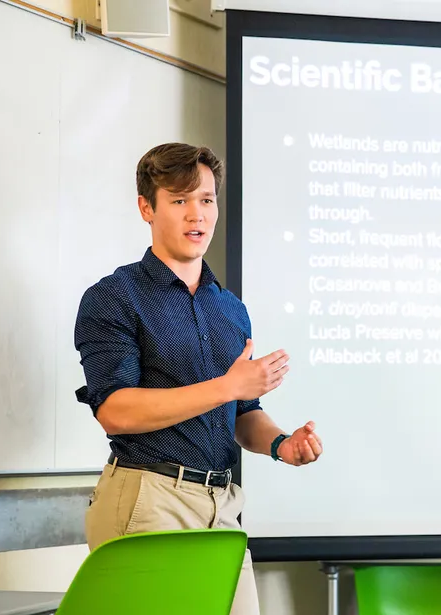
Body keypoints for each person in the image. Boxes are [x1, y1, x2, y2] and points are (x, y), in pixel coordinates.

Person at [73, 142, 322, 615]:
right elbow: (116, 411)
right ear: (147, 207)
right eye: (180, 200)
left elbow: (241, 412)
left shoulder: (229, 309)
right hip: (149, 499)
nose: (197, 215)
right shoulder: (114, 297)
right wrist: (229, 386)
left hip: (221, 504)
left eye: (206, 200)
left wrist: (280, 444)